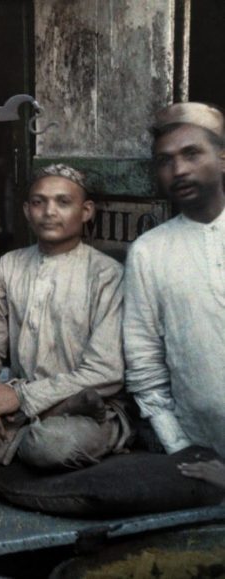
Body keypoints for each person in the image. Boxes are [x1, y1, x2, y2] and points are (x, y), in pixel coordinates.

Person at [0, 164, 133, 469]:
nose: (49, 211)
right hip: (10, 391)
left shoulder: (107, 276)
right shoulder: (8, 266)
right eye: (39, 202)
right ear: (27, 210)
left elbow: (105, 372)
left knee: (50, 445)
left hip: (86, 408)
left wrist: (22, 399)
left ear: (86, 210)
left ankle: (5, 434)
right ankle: (3, 425)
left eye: (64, 202)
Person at [124, 102, 225, 489]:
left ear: (221, 157)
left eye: (192, 153)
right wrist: (178, 444)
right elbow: (143, 359)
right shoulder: (150, 251)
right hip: (198, 456)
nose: (179, 170)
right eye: (165, 161)